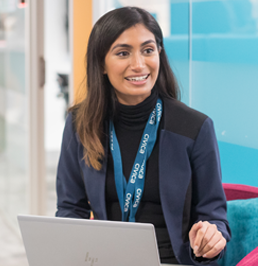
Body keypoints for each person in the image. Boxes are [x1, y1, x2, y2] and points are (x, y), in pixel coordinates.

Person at [56, 6, 231, 265]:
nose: (138, 64)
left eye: (148, 50)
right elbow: (71, 209)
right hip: (103, 259)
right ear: (101, 63)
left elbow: (214, 215)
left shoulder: (195, 127)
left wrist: (212, 235)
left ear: (159, 54)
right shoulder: (79, 124)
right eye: (123, 53)